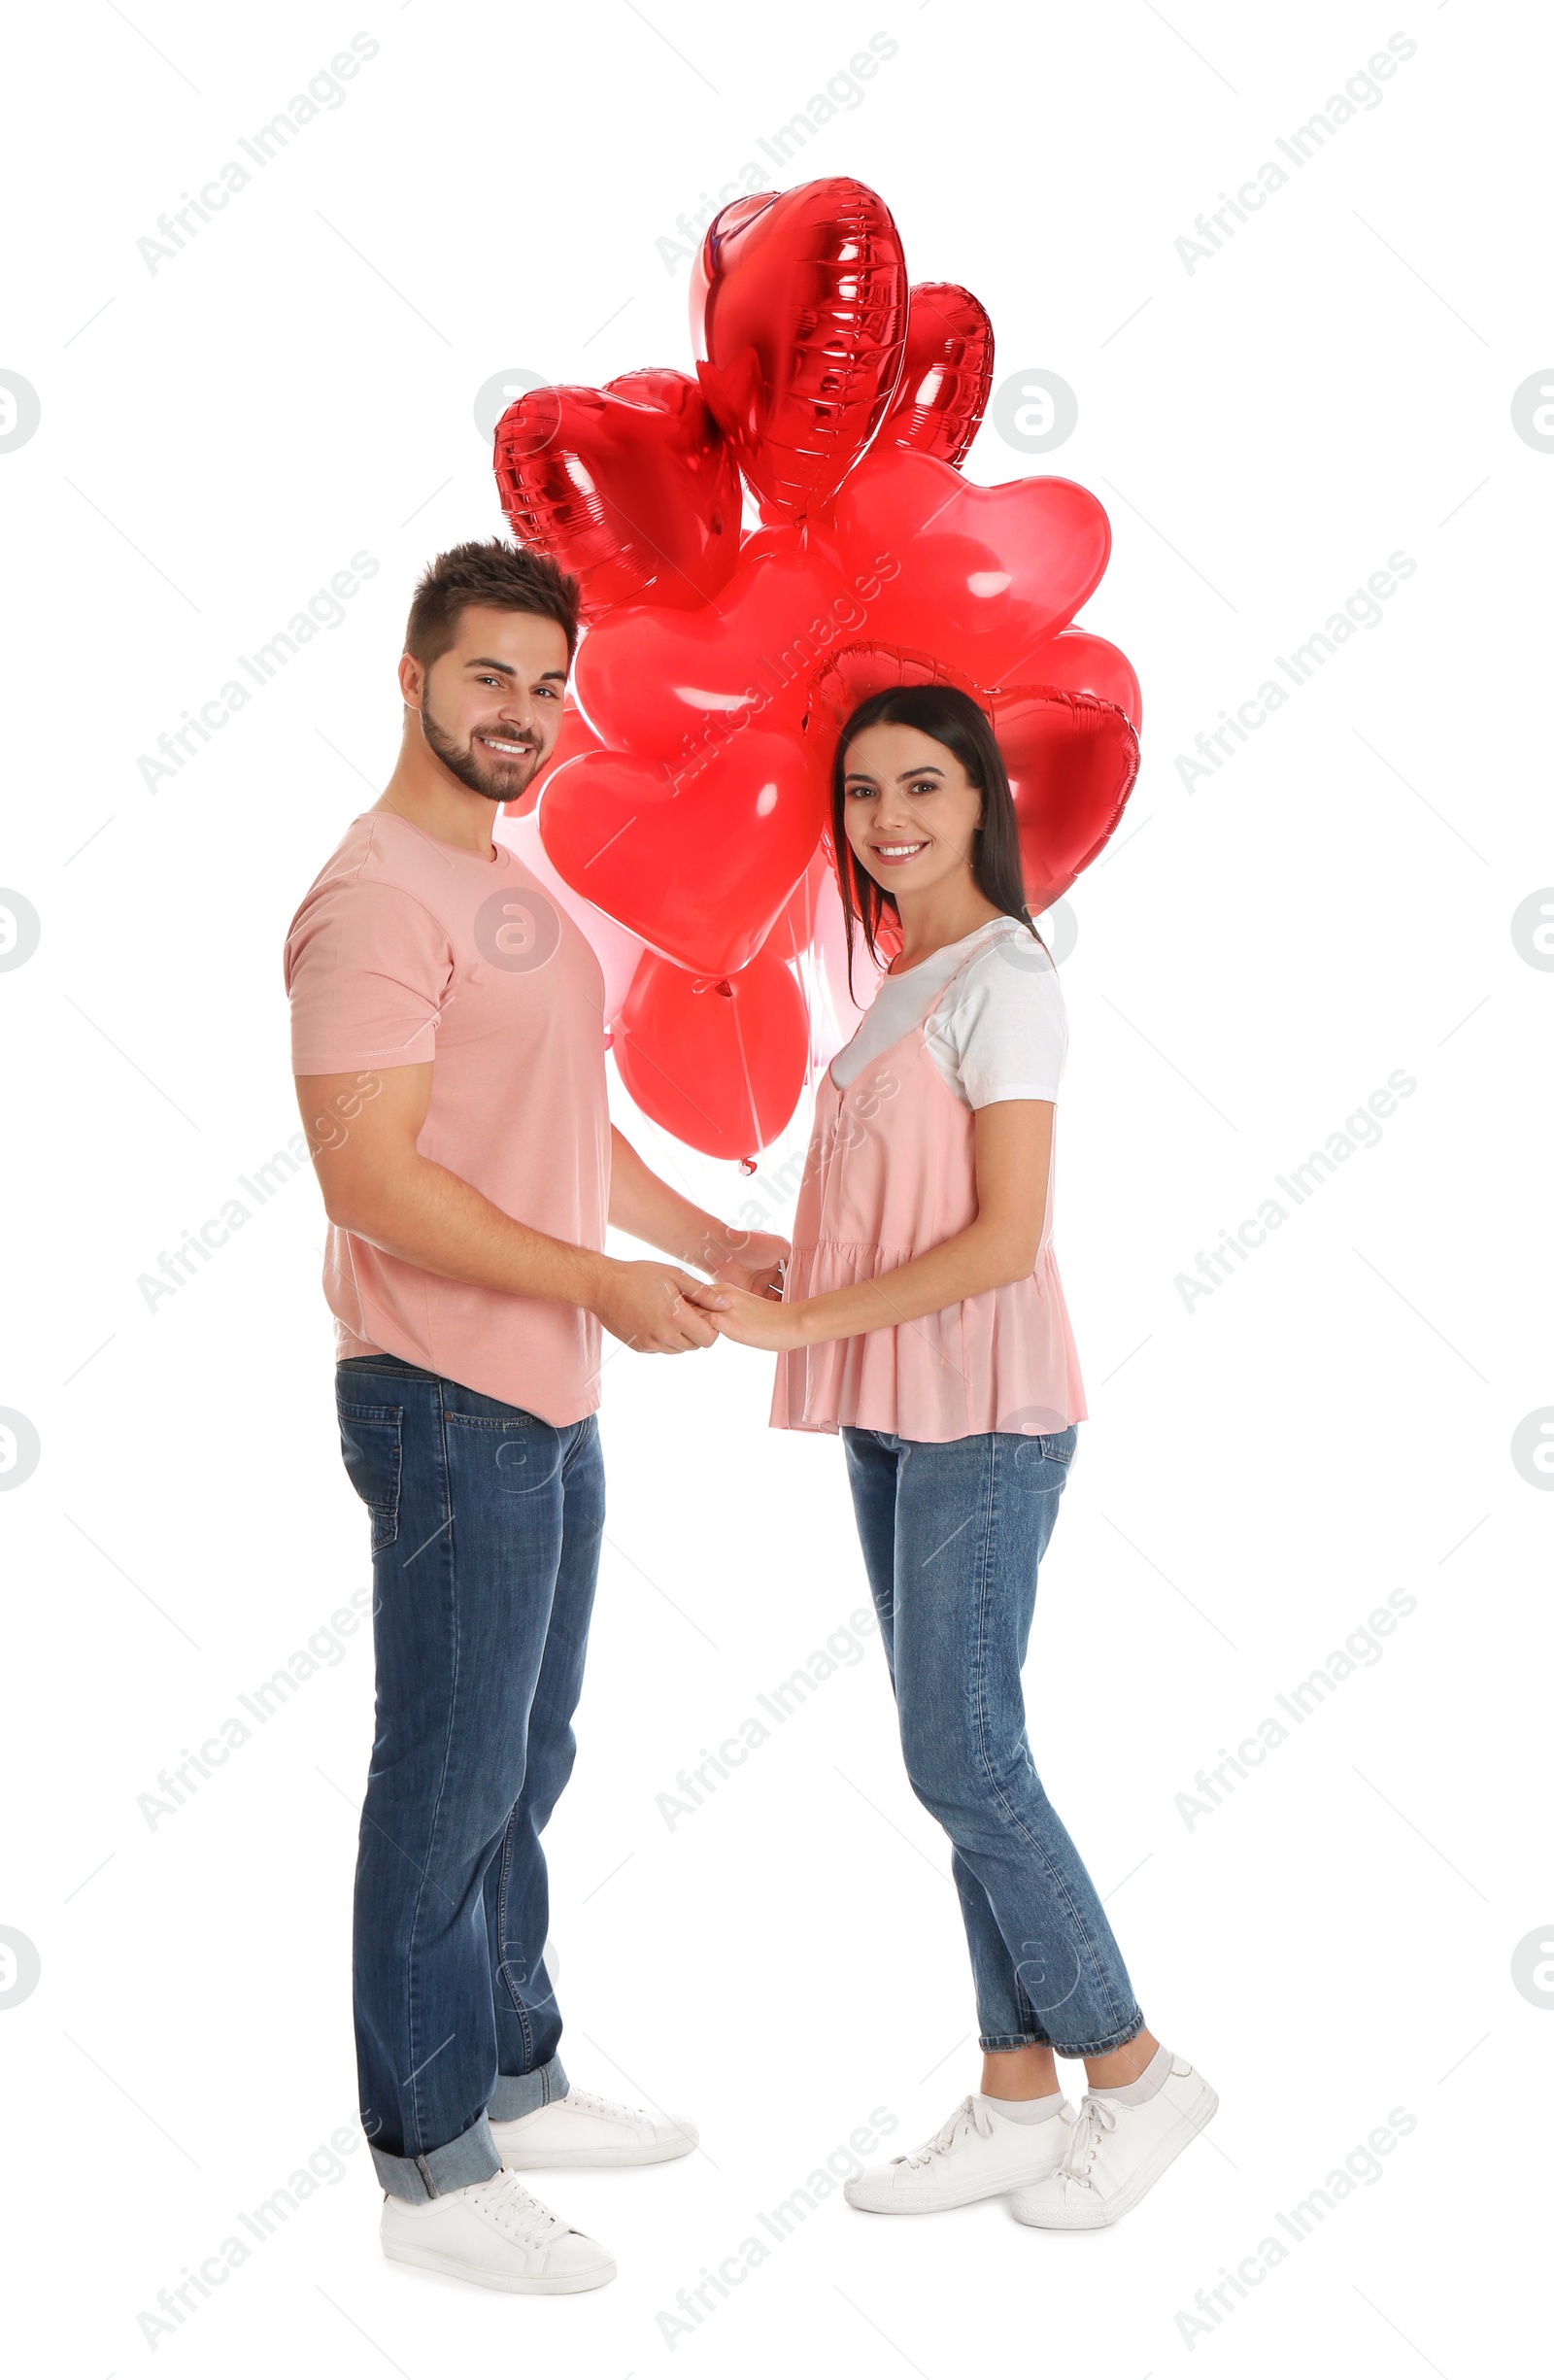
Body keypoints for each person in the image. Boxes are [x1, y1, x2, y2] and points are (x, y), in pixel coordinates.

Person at [284, 540, 788, 2295]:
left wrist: (704, 1235)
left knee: (529, 1754)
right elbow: (373, 1182)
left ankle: (511, 2066)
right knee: (446, 1771)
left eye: (549, 685)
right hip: (441, 1396)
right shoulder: (371, 899)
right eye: (492, 676)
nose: (524, 713)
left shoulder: (504, 886)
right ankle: (430, 2163)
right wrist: (591, 1282)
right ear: (413, 676)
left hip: (548, 1402)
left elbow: (568, 1125)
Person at [690, 684, 1215, 2229]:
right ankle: (1011, 2088)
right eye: (861, 791)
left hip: (982, 1406)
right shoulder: (895, 978)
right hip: (890, 1403)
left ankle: (1132, 2068)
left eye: (923, 784)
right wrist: (797, 1278)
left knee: (963, 1752)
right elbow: (894, 1202)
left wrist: (814, 1323)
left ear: (983, 797)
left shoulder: (1006, 980)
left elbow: (1002, 1239)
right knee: (961, 1750)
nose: (888, 817)